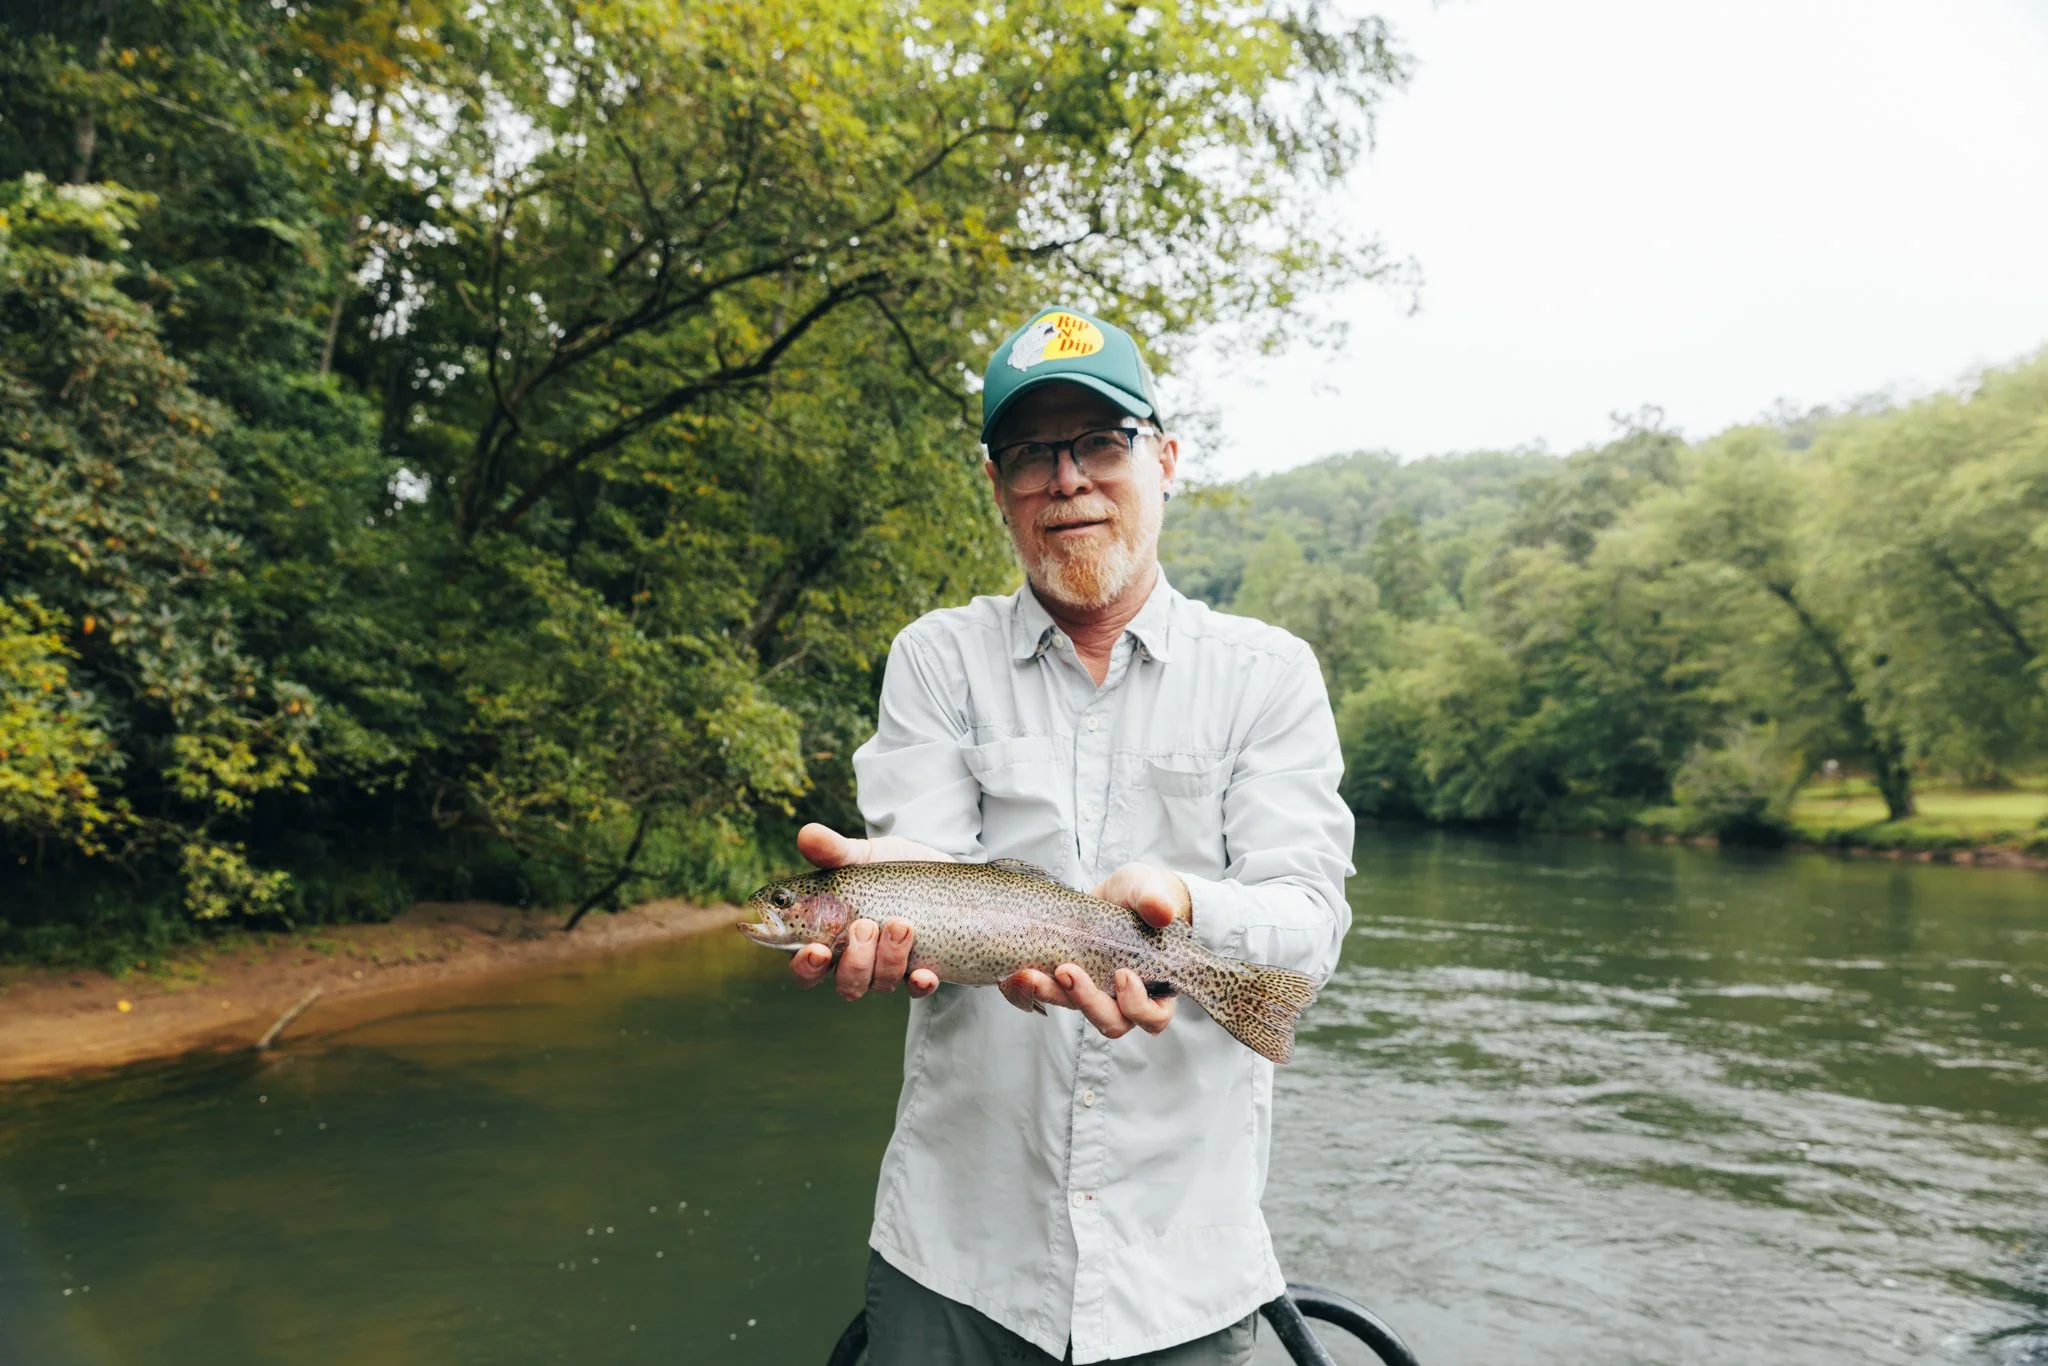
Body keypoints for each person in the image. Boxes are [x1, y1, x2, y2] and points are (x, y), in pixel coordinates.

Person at [790, 306, 1354, 1365]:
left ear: (1165, 460)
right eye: (1030, 454)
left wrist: (1183, 906)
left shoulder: (1268, 674)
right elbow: (924, 869)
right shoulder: (935, 658)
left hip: (1182, 1269)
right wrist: (890, 906)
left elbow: (1308, 924)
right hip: (955, 1257)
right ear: (998, 487)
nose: (1067, 480)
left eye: (1100, 441)